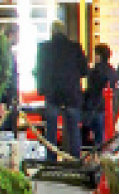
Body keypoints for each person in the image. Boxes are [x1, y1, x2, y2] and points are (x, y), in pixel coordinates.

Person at [34, 20, 87, 160]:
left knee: (50, 129)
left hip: (52, 94)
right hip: (71, 94)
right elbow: (84, 71)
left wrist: (42, 90)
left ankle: (51, 160)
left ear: (51, 32)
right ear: (65, 32)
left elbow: (39, 71)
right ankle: (75, 159)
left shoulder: (44, 48)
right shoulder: (75, 47)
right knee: (73, 129)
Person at [81, 43, 118, 147]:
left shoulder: (94, 71)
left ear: (98, 56)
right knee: (103, 140)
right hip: (107, 109)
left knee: (89, 139)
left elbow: (91, 91)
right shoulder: (113, 71)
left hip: (93, 108)